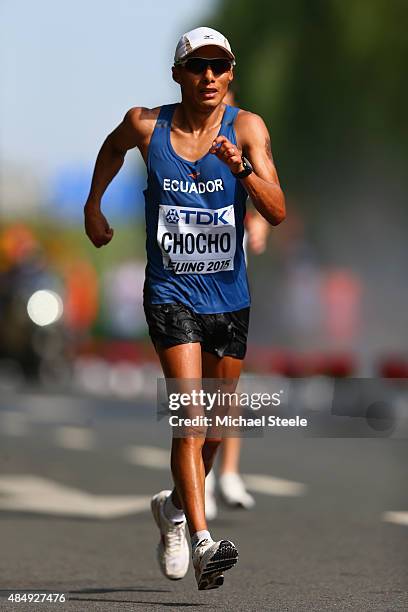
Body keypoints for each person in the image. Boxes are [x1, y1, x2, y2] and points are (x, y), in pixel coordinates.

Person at [84, 26, 285, 591]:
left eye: (219, 67)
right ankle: (202, 542)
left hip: (230, 298)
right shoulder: (147, 125)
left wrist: (241, 167)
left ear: (230, 73)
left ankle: (172, 508)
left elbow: (277, 210)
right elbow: (111, 148)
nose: (209, 78)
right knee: (190, 418)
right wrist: (92, 205)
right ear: (178, 74)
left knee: (217, 430)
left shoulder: (247, 129)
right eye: (198, 67)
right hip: (171, 294)